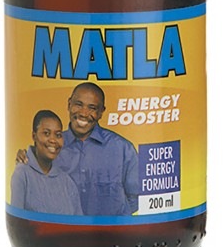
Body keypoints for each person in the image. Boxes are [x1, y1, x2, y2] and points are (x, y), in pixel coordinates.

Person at [16, 83, 139, 215]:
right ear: (69, 104)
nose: (83, 113)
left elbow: (136, 198)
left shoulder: (123, 149)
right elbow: (32, 187)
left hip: (112, 227)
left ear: (101, 112)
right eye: (78, 105)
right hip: (59, 226)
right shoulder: (49, 148)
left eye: (92, 108)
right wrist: (23, 159)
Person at [10, 110, 82, 215]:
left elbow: (79, 221)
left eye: (58, 135)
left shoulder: (67, 181)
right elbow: (16, 220)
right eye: (46, 133)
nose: (53, 140)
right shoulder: (22, 174)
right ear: (34, 136)